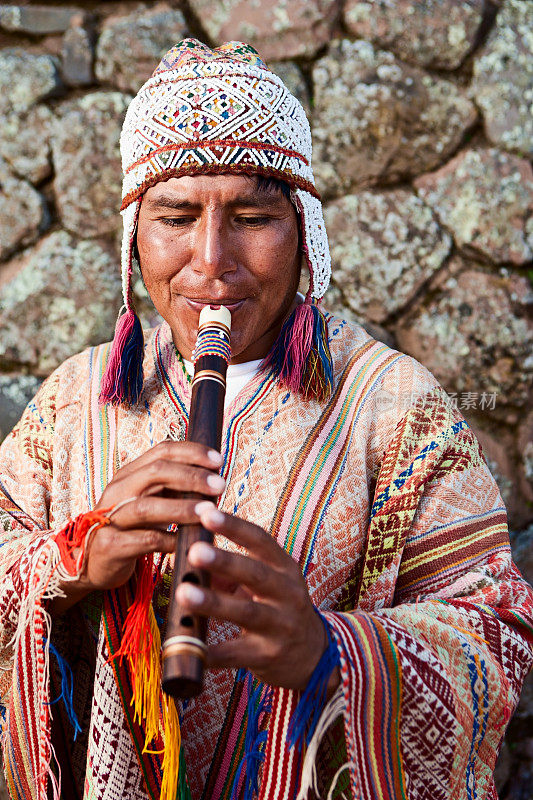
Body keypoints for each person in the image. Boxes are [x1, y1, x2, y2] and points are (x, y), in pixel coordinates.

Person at [0, 38, 532, 800]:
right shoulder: (72, 398)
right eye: (175, 216)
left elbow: (498, 633)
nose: (212, 261)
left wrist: (329, 650)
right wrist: (73, 558)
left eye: (251, 216)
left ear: (304, 233)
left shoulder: (395, 407)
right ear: (133, 235)